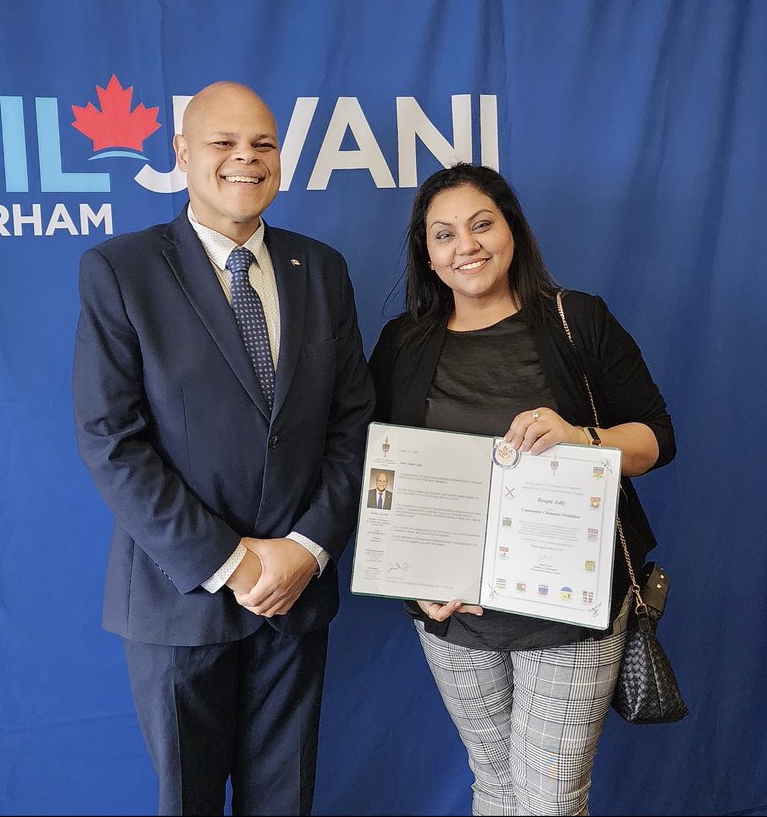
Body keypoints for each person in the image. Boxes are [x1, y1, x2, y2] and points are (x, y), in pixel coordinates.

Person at [72, 81, 376, 816]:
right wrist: (232, 562)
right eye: (224, 142)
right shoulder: (121, 270)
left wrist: (306, 548)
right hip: (181, 597)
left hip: (296, 594)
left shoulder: (322, 269)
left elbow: (354, 423)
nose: (247, 157)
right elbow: (111, 439)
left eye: (263, 144)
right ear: (182, 153)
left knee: (285, 802)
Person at [367, 163, 675, 816]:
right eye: (444, 234)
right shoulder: (402, 343)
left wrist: (580, 438)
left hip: (569, 611)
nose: (466, 246)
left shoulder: (576, 320)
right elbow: (381, 471)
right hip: (455, 617)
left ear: (512, 228)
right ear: (427, 253)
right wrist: (408, 576)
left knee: (550, 801)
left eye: (482, 224)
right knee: (496, 785)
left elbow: (655, 440)